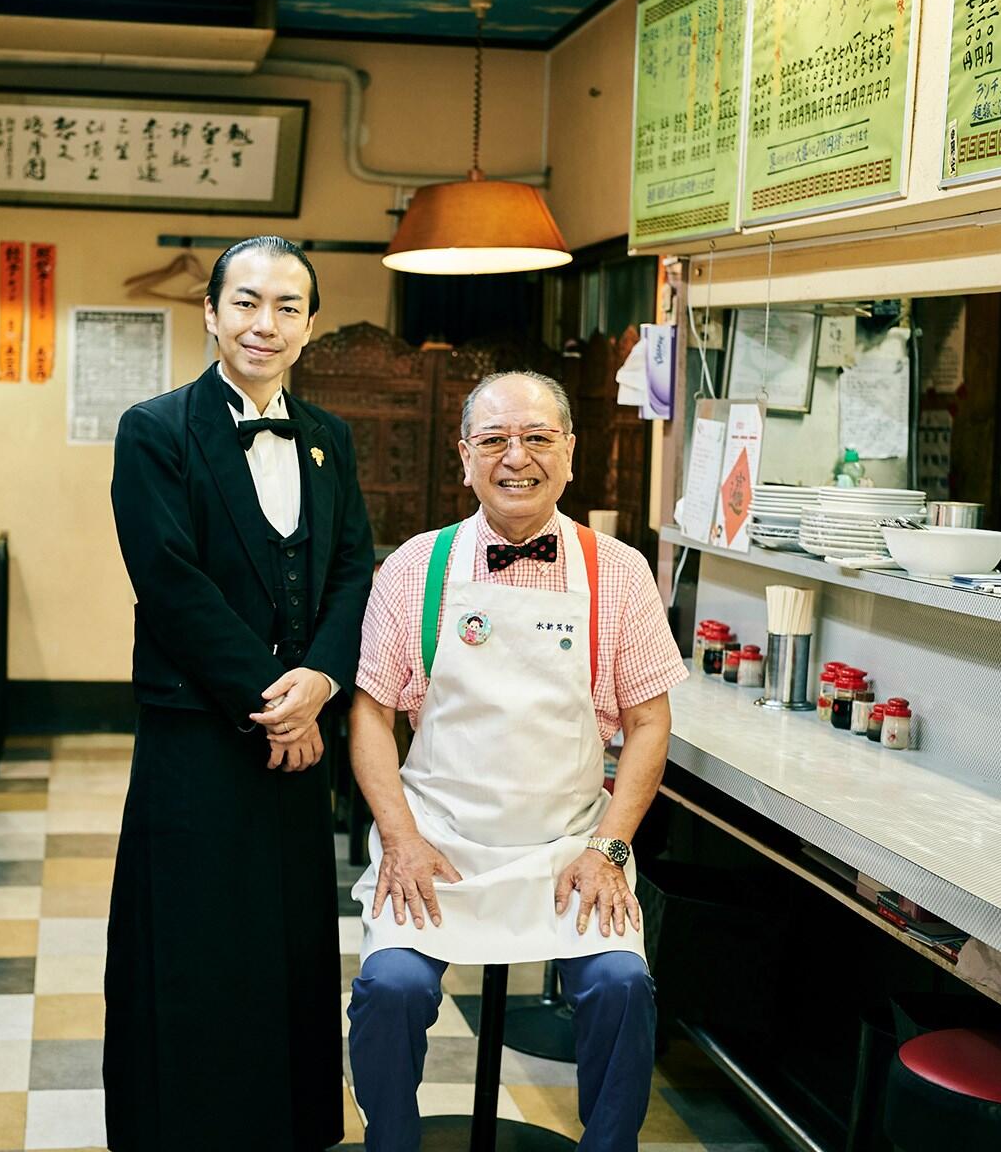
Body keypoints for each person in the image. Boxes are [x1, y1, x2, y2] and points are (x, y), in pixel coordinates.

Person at [346, 370, 688, 1151]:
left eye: (537, 437)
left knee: (624, 987)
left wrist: (609, 846)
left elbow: (648, 722)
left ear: (570, 453)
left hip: (569, 849)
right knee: (388, 990)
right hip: (438, 843)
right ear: (464, 457)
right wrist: (400, 836)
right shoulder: (415, 568)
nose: (516, 457)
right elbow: (369, 714)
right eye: (494, 439)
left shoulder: (621, 572)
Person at [105, 236, 376, 1151]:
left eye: (288, 306)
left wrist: (323, 680)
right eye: (248, 302)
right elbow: (169, 581)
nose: (267, 323)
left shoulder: (331, 439)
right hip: (200, 734)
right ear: (212, 313)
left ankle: (284, 1130)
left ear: (309, 325)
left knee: (290, 946)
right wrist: (275, 701)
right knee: (193, 947)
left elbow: (350, 573)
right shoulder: (156, 428)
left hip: (303, 735)